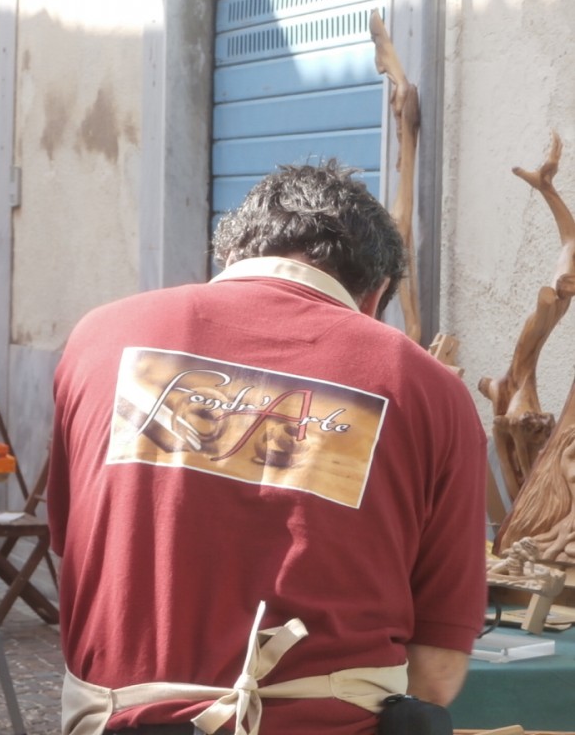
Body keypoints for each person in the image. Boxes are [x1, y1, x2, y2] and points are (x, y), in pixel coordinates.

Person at [48, 161, 487, 735]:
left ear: (229, 257)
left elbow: (76, 549)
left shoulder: (101, 337)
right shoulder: (428, 388)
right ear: (376, 295)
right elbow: (438, 670)